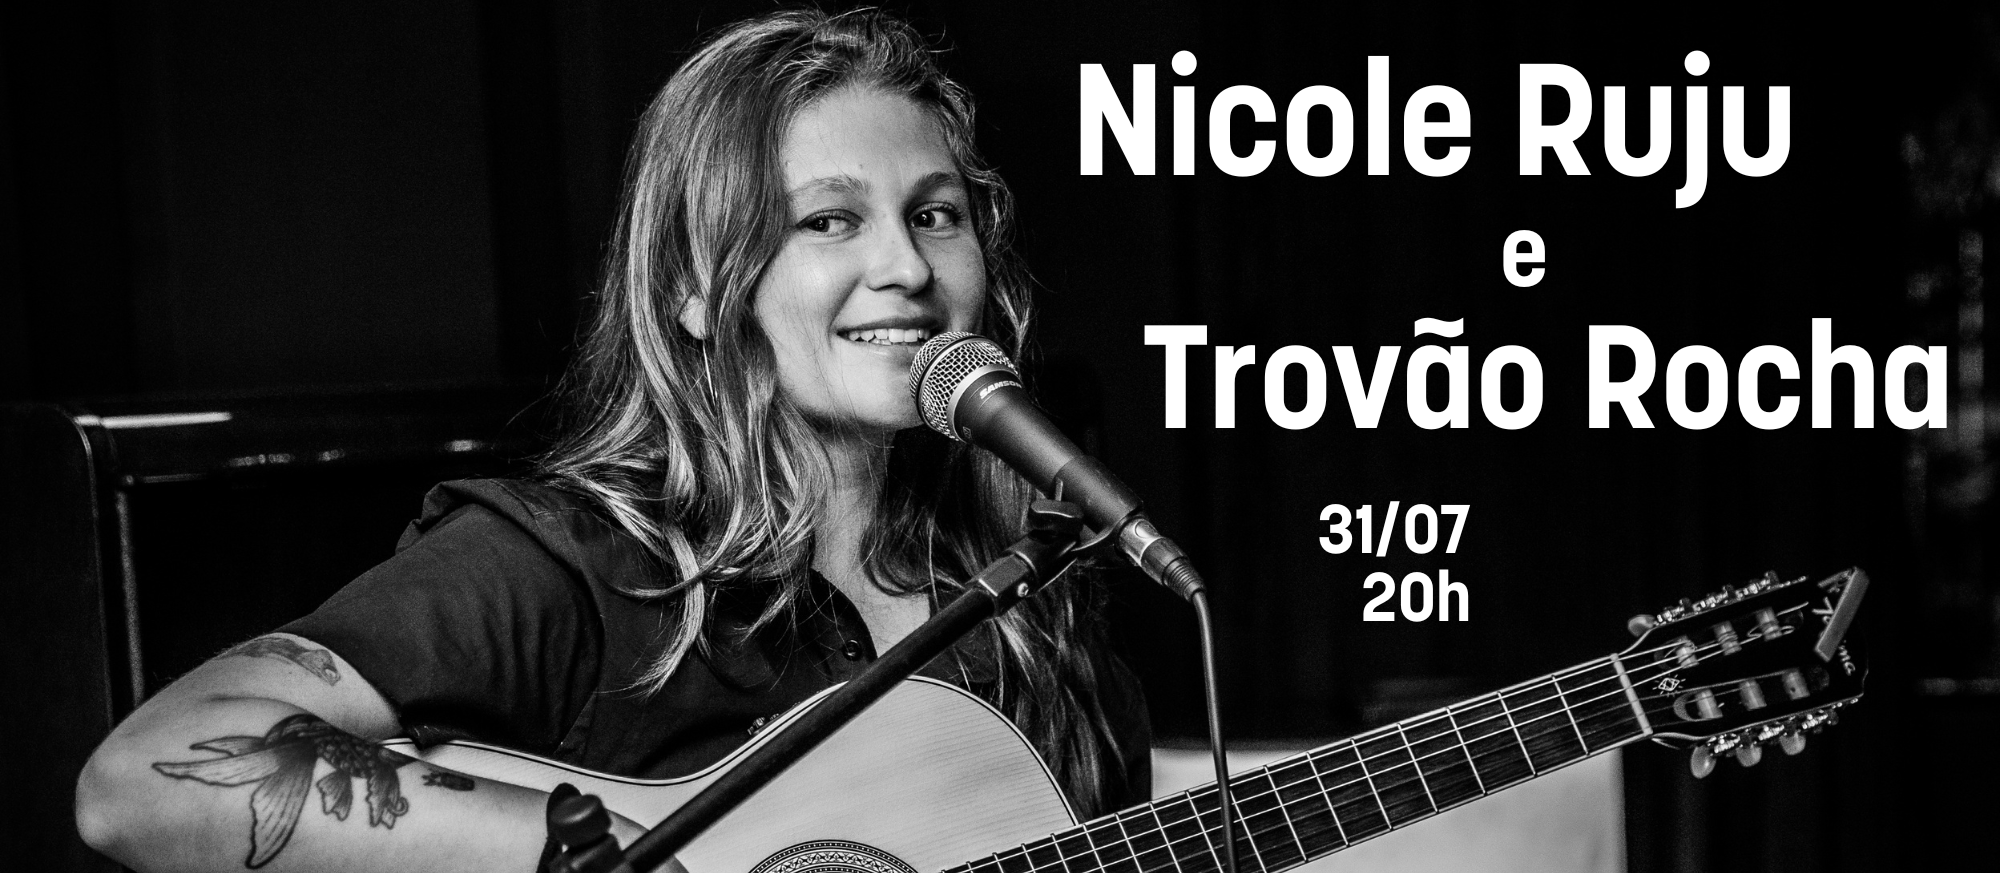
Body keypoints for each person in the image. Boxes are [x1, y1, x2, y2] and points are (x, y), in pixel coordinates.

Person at [74, 9, 1150, 872]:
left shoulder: (1034, 606)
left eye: (935, 214)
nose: (907, 267)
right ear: (696, 288)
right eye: (828, 219)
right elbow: (139, 781)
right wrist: (617, 854)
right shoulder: (578, 566)